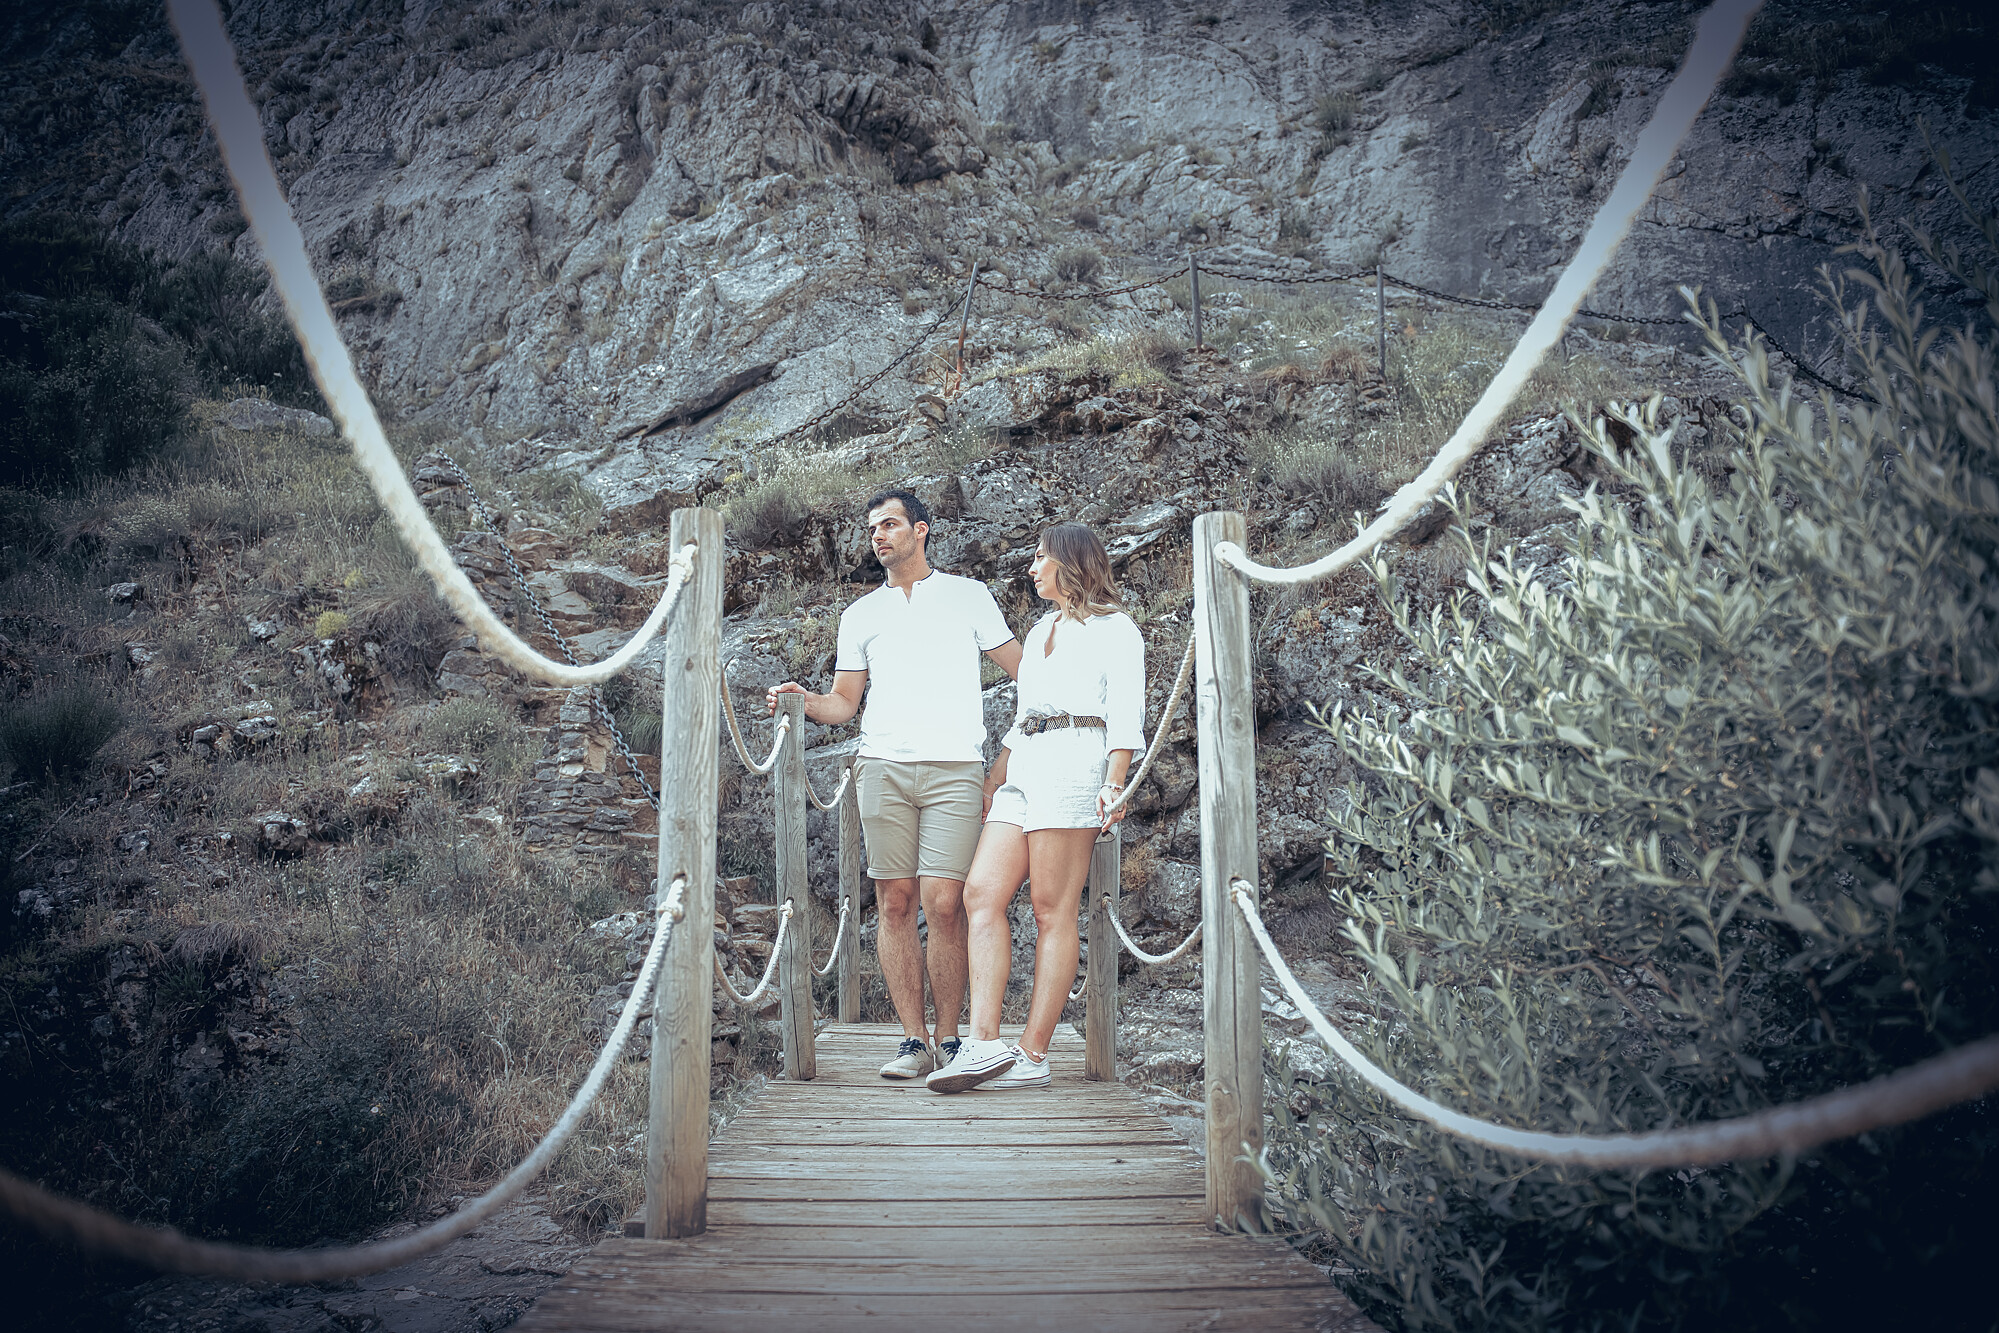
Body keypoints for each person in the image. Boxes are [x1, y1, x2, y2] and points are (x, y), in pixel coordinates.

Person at [766, 488, 1022, 1078]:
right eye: (872, 528)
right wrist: (802, 701)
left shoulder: (968, 596)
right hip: (881, 767)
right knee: (895, 902)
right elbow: (844, 704)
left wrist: (1008, 759)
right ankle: (913, 1042)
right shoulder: (860, 615)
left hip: (955, 769)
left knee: (946, 902)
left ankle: (952, 1040)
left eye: (889, 525)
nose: (877, 536)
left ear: (921, 530)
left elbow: (1026, 672)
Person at [926, 522, 1144, 1093]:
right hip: (1026, 764)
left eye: (1041, 558)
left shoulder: (1117, 629)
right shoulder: (1042, 626)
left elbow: (1125, 713)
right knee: (981, 893)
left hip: (1077, 762)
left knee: (1052, 909)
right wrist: (997, 776)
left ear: (1070, 564)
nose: (1031, 568)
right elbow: (1025, 713)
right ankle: (983, 1044)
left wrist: (1114, 781)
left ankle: (1033, 1055)